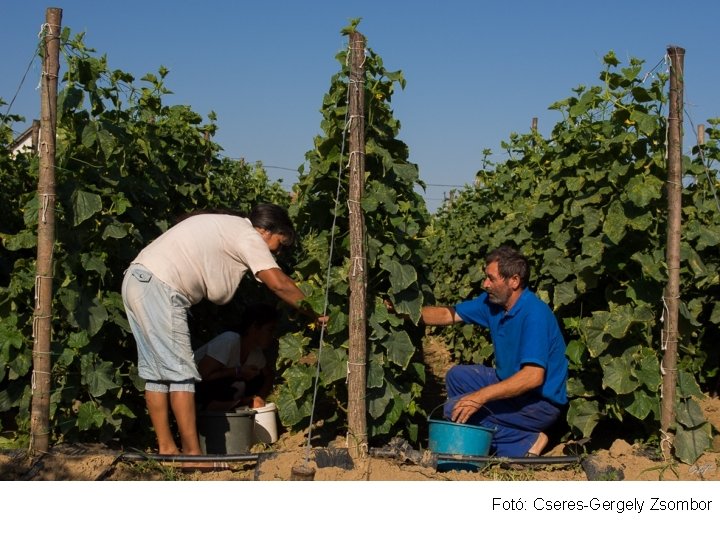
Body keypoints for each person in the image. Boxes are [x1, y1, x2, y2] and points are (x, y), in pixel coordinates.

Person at [121, 203, 324, 457]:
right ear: (267, 231)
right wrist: (316, 311)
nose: (278, 252)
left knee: (157, 376)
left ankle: (167, 449)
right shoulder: (249, 235)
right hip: (161, 286)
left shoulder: (229, 228)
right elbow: (278, 283)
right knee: (182, 375)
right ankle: (193, 455)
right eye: (280, 244)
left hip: (137, 281)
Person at [419, 245, 568, 457]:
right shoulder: (493, 304)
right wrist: (403, 312)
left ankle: (525, 441)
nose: (485, 284)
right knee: (456, 376)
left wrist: (481, 397)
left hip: (539, 403)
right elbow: (446, 315)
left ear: (514, 281)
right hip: (511, 386)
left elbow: (533, 377)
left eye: (491, 278)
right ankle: (488, 433)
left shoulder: (534, 314)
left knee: (454, 409)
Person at [194, 303, 279, 411]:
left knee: (257, 378)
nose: (272, 335)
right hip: (193, 389)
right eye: (270, 330)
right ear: (254, 327)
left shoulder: (255, 352)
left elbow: (268, 376)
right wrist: (237, 371)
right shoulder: (229, 340)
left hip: (220, 394)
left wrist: (260, 397)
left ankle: (237, 407)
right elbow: (201, 374)